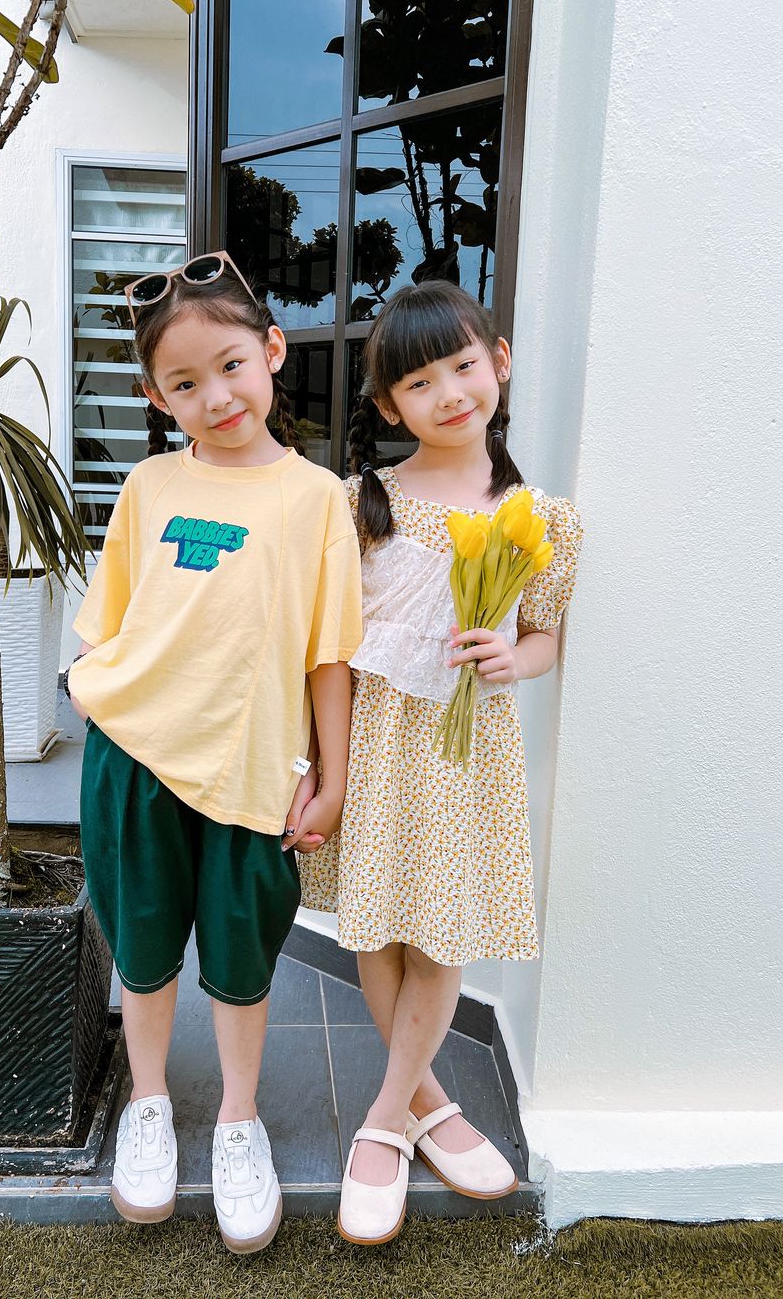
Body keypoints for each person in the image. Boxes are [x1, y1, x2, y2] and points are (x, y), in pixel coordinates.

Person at [67, 251, 361, 1254]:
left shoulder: (318, 499)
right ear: (158, 398)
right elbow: (107, 626)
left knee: (242, 956)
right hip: (136, 761)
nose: (216, 396)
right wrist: (109, 699)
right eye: (184, 383)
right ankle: (147, 1103)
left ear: (271, 350)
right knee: (144, 949)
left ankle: (239, 1119)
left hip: (252, 773)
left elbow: (329, 655)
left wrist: (332, 778)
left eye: (230, 365)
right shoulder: (149, 486)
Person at [297, 280, 583, 1245]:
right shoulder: (361, 503)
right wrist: (320, 767)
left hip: (466, 758)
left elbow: (545, 638)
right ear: (388, 406)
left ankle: (382, 1122)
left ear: (499, 361)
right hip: (373, 744)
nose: (450, 392)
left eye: (463, 366)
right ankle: (425, 1103)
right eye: (419, 382)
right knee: (378, 929)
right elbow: (329, 648)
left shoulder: (541, 518)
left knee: (441, 936)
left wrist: (513, 657)